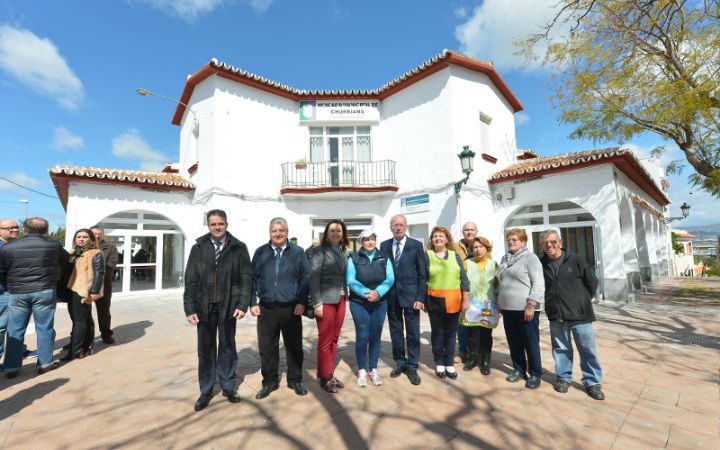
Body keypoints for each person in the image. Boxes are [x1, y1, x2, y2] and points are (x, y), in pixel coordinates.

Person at [183, 209, 252, 411]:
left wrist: (242, 304)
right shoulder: (199, 247)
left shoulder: (238, 248)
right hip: (204, 307)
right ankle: (206, 390)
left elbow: (246, 278)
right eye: (213, 224)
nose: (217, 227)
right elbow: (190, 279)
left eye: (220, 223)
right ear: (208, 226)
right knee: (205, 350)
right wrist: (189, 307)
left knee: (228, 347)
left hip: (228, 307)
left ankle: (228, 386)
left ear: (226, 225)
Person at [540, 229, 605, 400]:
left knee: (587, 349)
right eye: (546, 243)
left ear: (560, 243)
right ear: (542, 245)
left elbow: (592, 282)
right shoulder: (541, 263)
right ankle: (563, 378)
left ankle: (592, 382)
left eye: (553, 241)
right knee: (560, 349)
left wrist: (582, 301)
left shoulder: (575, 259)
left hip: (580, 315)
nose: (549, 245)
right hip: (556, 315)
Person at [1, 217, 69, 378]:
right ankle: (45, 363)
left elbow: (2, 271)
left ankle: (11, 367)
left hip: (17, 292)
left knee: (15, 329)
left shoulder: (8, 247)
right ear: (45, 230)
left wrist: (13, 285)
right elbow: (66, 261)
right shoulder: (54, 245)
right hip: (44, 290)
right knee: (44, 328)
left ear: (25, 229)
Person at [251, 217, 310, 399]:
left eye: (281, 230)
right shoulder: (260, 252)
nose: (278, 233)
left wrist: (302, 302)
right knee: (267, 348)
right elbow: (252, 278)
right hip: (266, 308)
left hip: (291, 308)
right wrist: (252, 302)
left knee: (294, 346)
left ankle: (295, 380)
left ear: (287, 232)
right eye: (274, 230)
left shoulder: (298, 252)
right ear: (269, 233)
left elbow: (306, 278)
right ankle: (269, 382)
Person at [380, 215, 427, 385]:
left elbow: (422, 274)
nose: (398, 227)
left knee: (413, 333)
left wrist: (421, 297)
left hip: (412, 297)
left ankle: (413, 365)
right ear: (391, 227)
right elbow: (381, 271)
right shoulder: (384, 245)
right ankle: (400, 362)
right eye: (395, 225)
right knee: (396, 332)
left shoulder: (416, 245)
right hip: (391, 297)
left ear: (406, 227)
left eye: (401, 225)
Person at [496, 228, 545, 389]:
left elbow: (538, 283)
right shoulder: (505, 258)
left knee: (530, 342)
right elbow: (501, 281)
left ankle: (535, 373)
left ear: (523, 242)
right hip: (508, 309)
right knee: (514, 342)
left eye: (515, 240)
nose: (511, 242)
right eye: (509, 239)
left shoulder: (531, 259)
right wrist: (499, 301)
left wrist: (531, 305)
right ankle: (519, 370)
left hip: (526, 309)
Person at [346, 228, 394, 387]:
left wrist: (378, 293)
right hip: (359, 302)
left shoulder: (384, 257)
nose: (370, 242)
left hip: (380, 302)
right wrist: (367, 293)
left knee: (375, 335)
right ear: (361, 241)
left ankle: (373, 369)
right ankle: (361, 370)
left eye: (372, 239)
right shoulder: (353, 257)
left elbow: (390, 278)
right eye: (366, 239)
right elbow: (351, 280)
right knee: (362, 336)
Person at [307, 219, 349, 393]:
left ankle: (329, 372)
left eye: (339, 231)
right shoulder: (319, 251)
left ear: (343, 234)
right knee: (325, 340)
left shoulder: (342, 251)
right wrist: (317, 302)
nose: (336, 233)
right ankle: (325, 377)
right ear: (326, 233)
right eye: (332, 230)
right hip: (325, 300)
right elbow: (314, 277)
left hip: (340, 299)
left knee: (334, 338)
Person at [426, 226, 469, 380]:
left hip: (454, 300)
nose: (437, 238)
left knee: (451, 333)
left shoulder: (454, 255)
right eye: (435, 236)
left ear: (447, 239)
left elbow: (463, 277)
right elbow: (423, 279)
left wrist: (466, 298)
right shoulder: (428, 255)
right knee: (437, 333)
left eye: (441, 236)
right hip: (434, 299)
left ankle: (449, 362)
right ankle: (439, 361)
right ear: (431, 240)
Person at [62, 228, 105, 361]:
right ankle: (88, 345)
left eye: (85, 237)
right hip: (71, 289)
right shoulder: (75, 253)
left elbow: (99, 273)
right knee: (85, 318)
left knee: (79, 320)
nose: (81, 239)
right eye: (78, 237)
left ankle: (76, 351)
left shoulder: (95, 253)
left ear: (91, 239)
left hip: (82, 290)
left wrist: (94, 291)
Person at [461, 237, 500, 375]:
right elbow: (462, 282)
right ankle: (472, 360)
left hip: (488, 305)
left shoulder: (493, 264)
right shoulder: (467, 263)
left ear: (486, 248)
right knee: (472, 334)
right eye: (475, 247)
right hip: (471, 304)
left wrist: (499, 301)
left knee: (486, 334)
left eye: (481, 247)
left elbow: (498, 284)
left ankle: (485, 362)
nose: (477, 250)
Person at [90, 226, 118, 344]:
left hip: (103, 285)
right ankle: (85, 336)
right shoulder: (83, 247)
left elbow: (111, 265)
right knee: (82, 313)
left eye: (99, 233)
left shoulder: (110, 248)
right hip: (84, 285)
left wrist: (94, 271)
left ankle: (106, 333)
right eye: (94, 233)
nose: (97, 236)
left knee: (104, 311)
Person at [455, 221, 477, 363]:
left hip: (478, 290)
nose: (469, 232)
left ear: (476, 231)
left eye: (471, 230)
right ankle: (463, 351)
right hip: (460, 288)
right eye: (466, 230)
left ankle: (477, 352)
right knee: (462, 322)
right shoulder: (456, 247)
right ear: (463, 232)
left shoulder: (482, 244)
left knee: (477, 322)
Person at [0, 219, 21, 371]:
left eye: (16, 227)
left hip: (12, 290)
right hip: (3, 292)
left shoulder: (10, 246)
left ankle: (18, 350)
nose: (14, 229)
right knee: (1, 327)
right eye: (9, 228)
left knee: (15, 325)